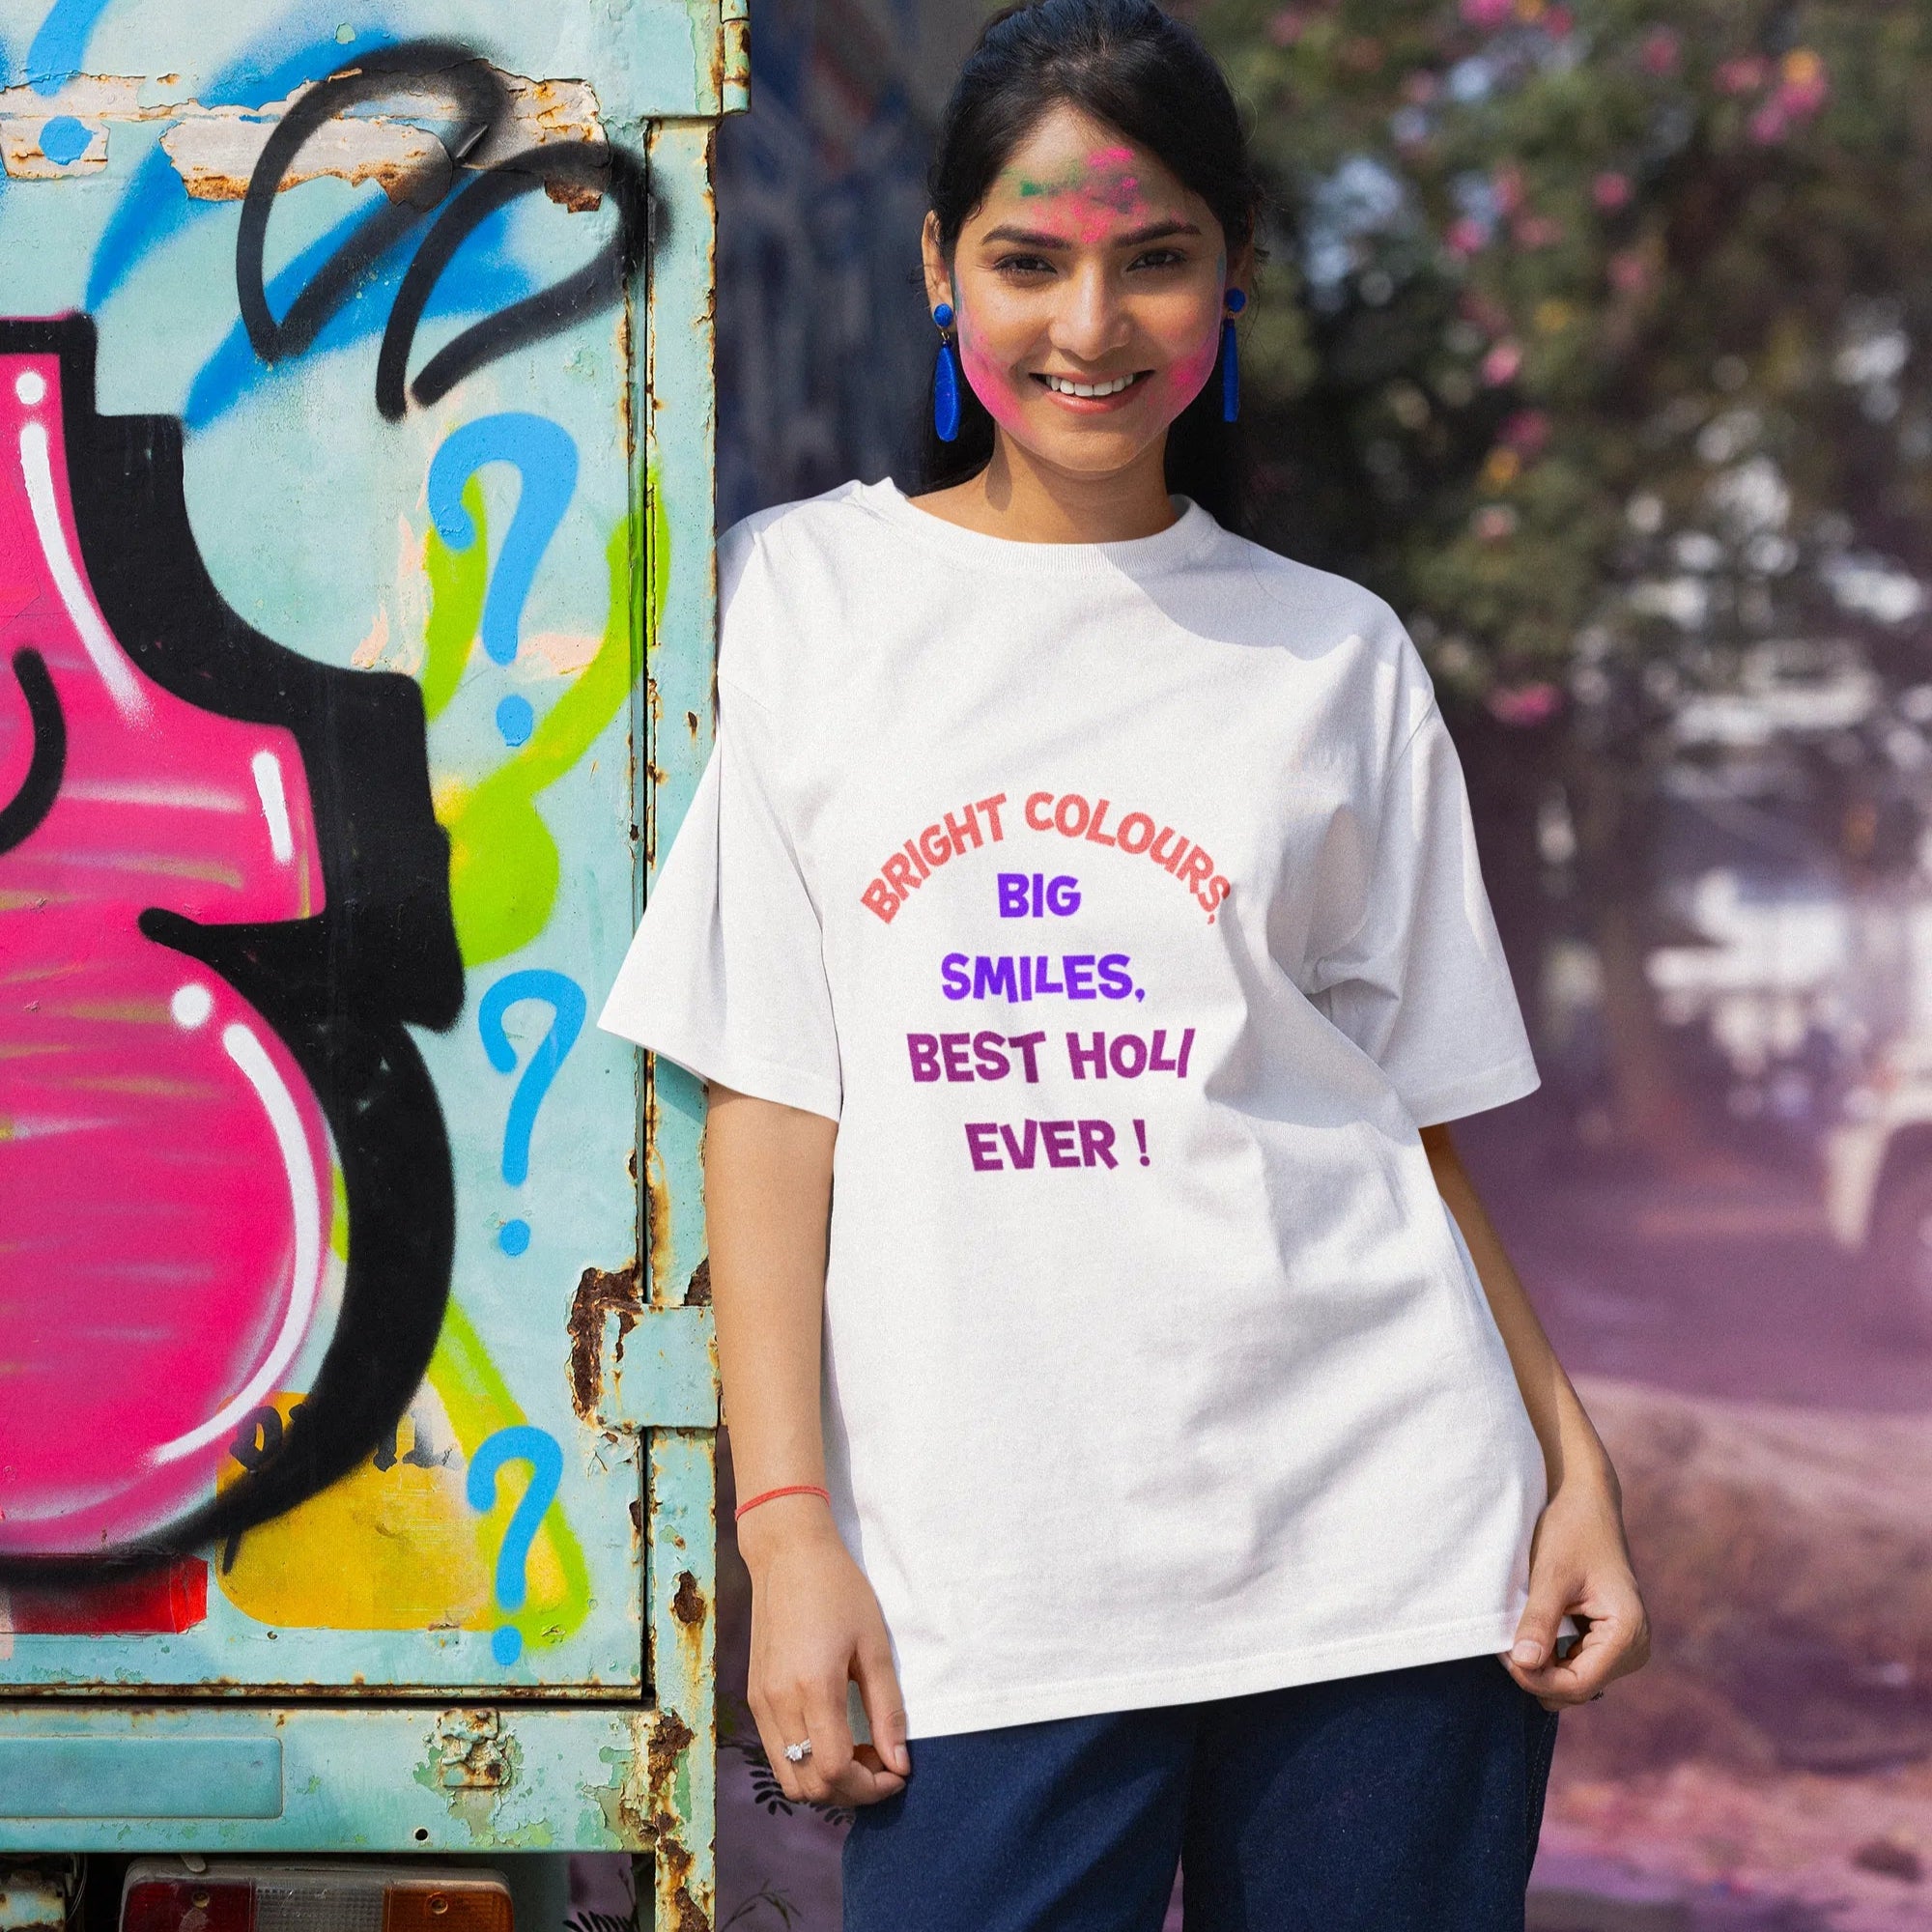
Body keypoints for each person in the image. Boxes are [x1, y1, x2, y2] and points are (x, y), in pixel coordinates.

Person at [599, 2, 1649, 1925]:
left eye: (1154, 259)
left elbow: (1396, 1120)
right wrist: (787, 1529)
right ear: (938, 265)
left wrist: (1569, 1461)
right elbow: (770, 1098)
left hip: (1386, 1553)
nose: (1093, 327)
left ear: (1228, 271)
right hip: (988, 1591)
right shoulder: (798, 602)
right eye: (1029, 259)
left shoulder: (1332, 654)